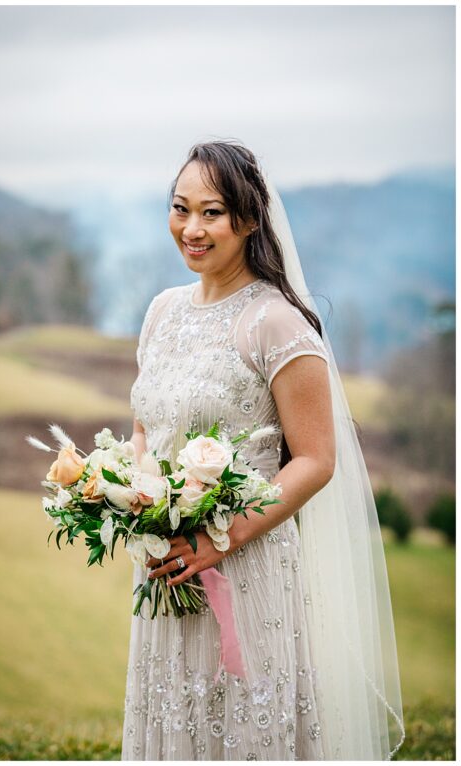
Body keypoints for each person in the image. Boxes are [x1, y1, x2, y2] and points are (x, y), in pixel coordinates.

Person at [121, 141, 403, 759]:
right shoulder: (161, 312)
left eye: (212, 213)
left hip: (247, 574)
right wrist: (140, 501)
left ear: (249, 220)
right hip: (166, 571)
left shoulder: (277, 323)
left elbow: (316, 460)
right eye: (180, 209)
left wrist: (217, 538)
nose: (192, 229)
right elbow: (145, 426)